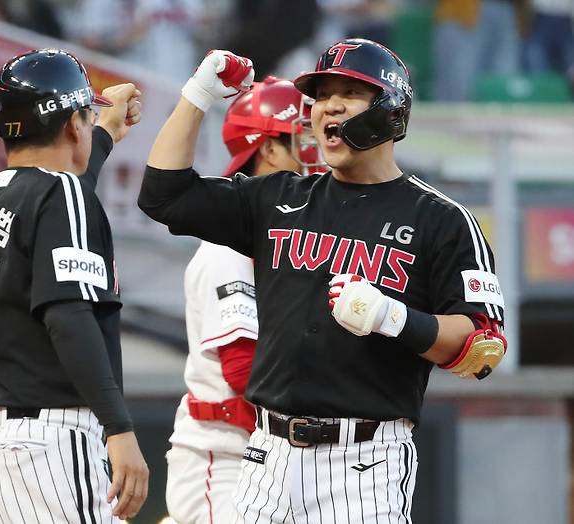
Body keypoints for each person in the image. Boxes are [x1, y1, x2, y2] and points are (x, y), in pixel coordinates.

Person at [139, 39, 507, 523]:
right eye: (321, 94)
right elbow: (162, 195)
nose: (329, 104)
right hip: (267, 453)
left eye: (349, 92)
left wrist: (393, 318)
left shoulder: (442, 219)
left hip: (364, 461)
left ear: (390, 108)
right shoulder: (277, 196)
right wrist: (198, 95)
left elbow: (483, 349)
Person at [0, 49, 148, 523]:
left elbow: (68, 185)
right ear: (74, 124)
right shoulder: (61, 193)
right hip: (43, 448)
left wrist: (106, 129)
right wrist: (119, 428)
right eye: (86, 114)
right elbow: (68, 316)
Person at [165, 76, 322, 523]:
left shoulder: (303, 234)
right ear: (269, 150)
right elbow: (242, 367)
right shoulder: (229, 242)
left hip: (273, 456)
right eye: (304, 137)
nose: (318, 149)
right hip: (223, 457)